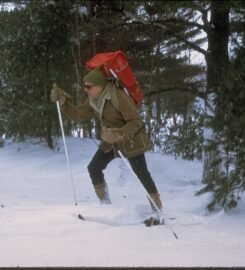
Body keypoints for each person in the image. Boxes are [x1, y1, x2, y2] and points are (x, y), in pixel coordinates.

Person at [50, 67, 162, 214]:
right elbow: (79, 115)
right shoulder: (94, 99)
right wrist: (64, 103)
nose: (86, 90)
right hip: (111, 139)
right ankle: (105, 203)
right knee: (94, 168)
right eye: (85, 87)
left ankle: (158, 210)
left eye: (89, 87)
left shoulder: (118, 96)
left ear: (99, 86)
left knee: (141, 173)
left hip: (131, 139)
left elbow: (136, 122)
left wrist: (119, 134)